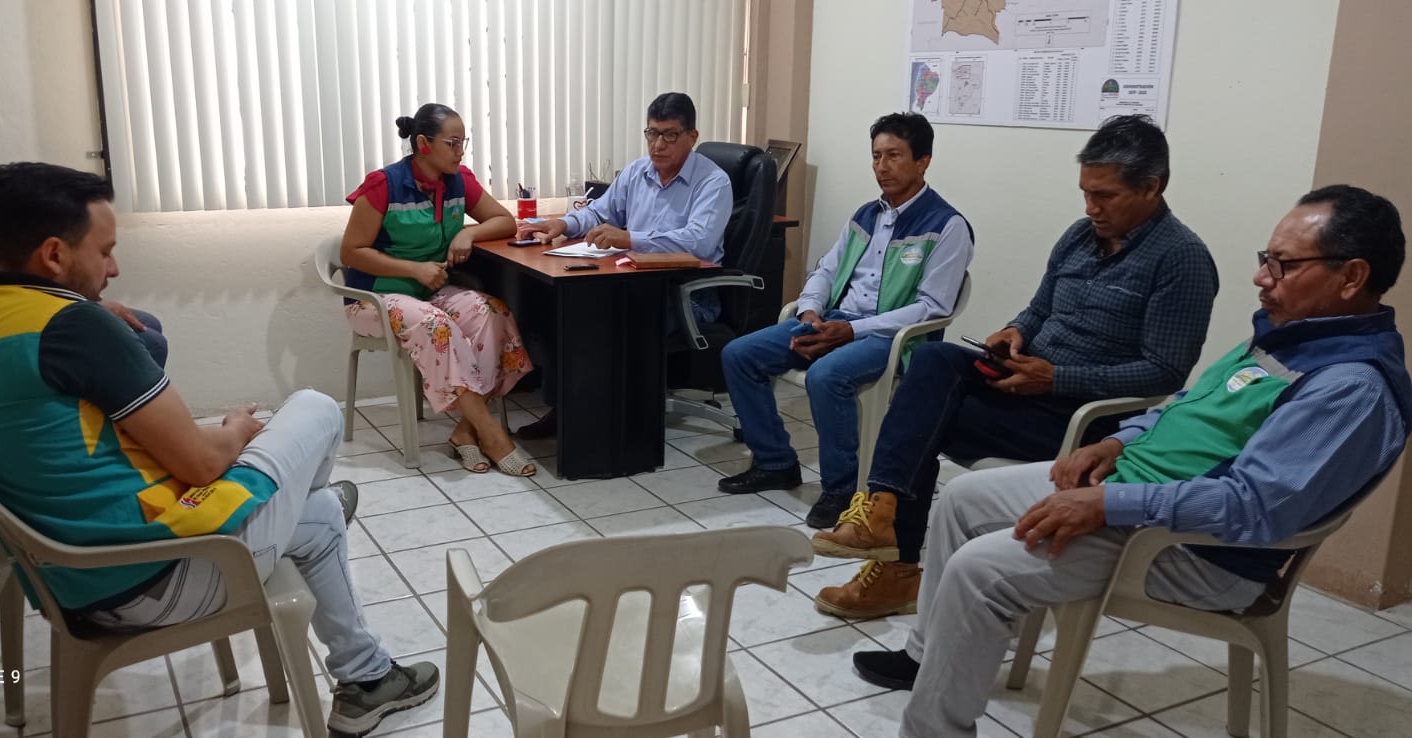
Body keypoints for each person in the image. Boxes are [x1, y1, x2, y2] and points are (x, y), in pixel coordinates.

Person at [854, 185, 1410, 738]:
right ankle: (929, 660)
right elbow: (1185, 404)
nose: (1262, 277)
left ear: (1351, 277)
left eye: (1283, 265)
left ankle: (933, 729)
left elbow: (1252, 507)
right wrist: (1117, 443)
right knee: (961, 498)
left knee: (979, 572)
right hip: (1134, 483)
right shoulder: (1290, 337)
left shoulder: (1349, 387)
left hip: (1196, 549)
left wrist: (1107, 503)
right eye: (1266, 258)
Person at [0, 162, 437, 737]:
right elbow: (200, 462)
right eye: (105, 252)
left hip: (65, 579)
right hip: (152, 577)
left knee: (319, 516)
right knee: (316, 408)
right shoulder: (71, 329)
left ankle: (367, 680)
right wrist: (236, 428)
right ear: (53, 254)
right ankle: (299, 495)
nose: (114, 269)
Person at [811, 114, 1219, 619]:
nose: (1091, 208)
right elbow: (1039, 309)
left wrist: (1056, 378)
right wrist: (1014, 332)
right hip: (1027, 385)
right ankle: (884, 520)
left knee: (918, 421)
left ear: (1152, 187)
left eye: (1105, 196)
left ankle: (894, 560)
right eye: (1085, 193)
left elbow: (1164, 373)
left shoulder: (1181, 259)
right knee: (934, 360)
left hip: (1083, 420)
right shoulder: (1080, 236)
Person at [716, 112, 973, 507]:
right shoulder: (866, 215)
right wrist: (810, 312)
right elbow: (826, 270)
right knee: (739, 354)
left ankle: (842, 489)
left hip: (893, 338)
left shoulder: (947, 225)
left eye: (894, 156)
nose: (881, 167)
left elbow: (931, 309)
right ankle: (775, 462)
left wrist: (853, 331)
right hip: (835, 321)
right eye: (876, 156)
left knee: (826, 376)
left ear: (923, 161)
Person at [512, 91, 734, 438]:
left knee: (601, 321)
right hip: (631, 282)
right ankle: (567, 411)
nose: (658, 144)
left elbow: (698, 243)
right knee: (565, 310)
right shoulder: (637, 172)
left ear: (692, 136)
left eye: (670, 135)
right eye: (652, 133)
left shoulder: (713, 182)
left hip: (685, 294)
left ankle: (607, 423)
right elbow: (601, 212)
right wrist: (563, 224)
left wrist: (630, 238)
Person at [339, 103, 535, 476]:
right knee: (435, 325)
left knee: (491, 312)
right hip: (374, 299)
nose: (461, 152)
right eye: (453, 143)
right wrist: (413, 268)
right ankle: (491, 433)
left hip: (429, 292)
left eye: (464, 143)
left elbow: (504, 221)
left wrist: (468, 233)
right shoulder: (383, 185)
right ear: (424, 144)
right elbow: (352, 252)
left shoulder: (458, 180)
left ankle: (464, 432)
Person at [0, 114, 169, 366]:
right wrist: (90, 307)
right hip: (6, 323)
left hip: (29, 302)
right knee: (149, 340)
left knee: (148, 325)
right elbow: (10, 287)